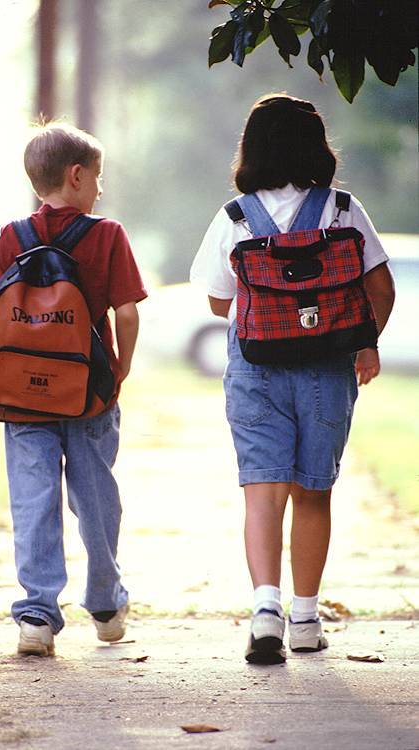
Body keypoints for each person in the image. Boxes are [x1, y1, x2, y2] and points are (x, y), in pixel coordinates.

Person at [190, 94, 395, 664]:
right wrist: (364, 342)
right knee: (314, 493)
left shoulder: (234, 217)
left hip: (256, 369)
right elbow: (380, 290)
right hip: (328, 369)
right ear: (318, 149)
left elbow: (215, 299)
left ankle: (264, 612)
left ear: (251, 150)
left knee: (263, 493)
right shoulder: (345, 210)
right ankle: (305, 618)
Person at [0, 123, 147, 656]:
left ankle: (36, 615)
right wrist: (120, 367)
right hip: (88, 390)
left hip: (22, 392)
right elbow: (125, 311)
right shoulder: (108, 234)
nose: (100, 187)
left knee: (33, 498)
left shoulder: (13, 236)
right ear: (76, 176)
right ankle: (103, 602)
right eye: (97, 176)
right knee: (95, 494)